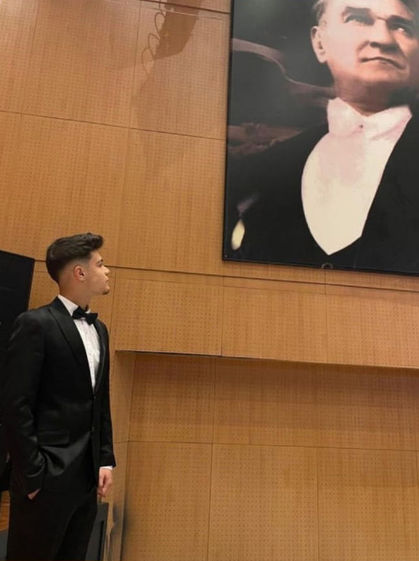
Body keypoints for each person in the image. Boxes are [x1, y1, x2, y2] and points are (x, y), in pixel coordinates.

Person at [225, 0, 419, 274]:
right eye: (357, 18)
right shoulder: (272, 168)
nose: (383, 39)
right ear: (320, 43)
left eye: (402, 27)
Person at [1, 233, 116, 561]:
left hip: (86, 482)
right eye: (100, 264)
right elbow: (15, 405)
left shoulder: (100, 330)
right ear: (80, 273)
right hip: (45, 480)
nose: (107, 271)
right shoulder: (35, 324)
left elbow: (100, 401)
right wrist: (33, 475)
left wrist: (104, 458)